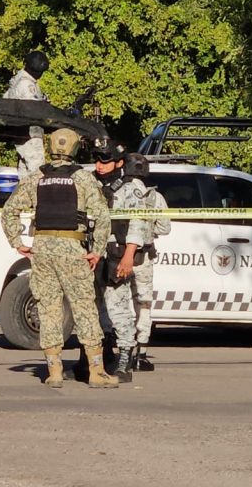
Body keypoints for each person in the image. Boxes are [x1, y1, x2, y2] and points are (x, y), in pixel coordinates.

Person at [0, 128, 118, 389]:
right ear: (74, 148)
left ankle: (54, 371)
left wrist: (17, 242)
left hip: (42, 250)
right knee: (84, 308)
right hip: (73, 248)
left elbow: (9, 210)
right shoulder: (83, 178)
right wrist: (97, 250)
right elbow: (102, 216)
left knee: (48, 308)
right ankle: (96, 372)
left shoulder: (36, 177)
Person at [92, 140, 151, 383]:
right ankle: (97, 357)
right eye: (97, 159)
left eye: (105, 160)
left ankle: (124, 359)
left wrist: (128, 256)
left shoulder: (130, 188)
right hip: (93, 253)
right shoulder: (91, 183)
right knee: (95, 309)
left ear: (118, 163)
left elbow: (137, 223)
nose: (100, 165)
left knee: (118, 309)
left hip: (116, 252)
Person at [123, 152, 171, 371]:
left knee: (120, 304)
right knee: (143, 304)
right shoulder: (155, 197)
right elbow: (165, 228)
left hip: (120, 255)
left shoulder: (119, 191)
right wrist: (149, 231)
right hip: (144, 257)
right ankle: (141, 355)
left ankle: (122, 352)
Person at [3, 50, 50, 179]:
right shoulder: (26, 84)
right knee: (37, 174)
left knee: (24, 176)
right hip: (30, 134)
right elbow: (32, 109)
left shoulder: (17, 81)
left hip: (20, 134)